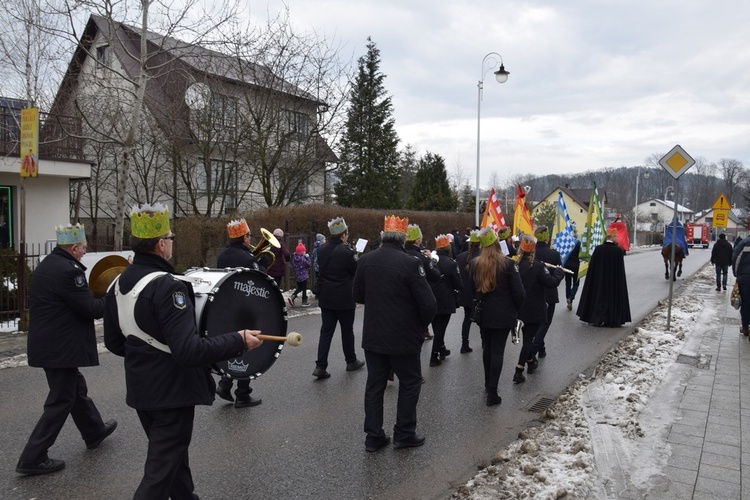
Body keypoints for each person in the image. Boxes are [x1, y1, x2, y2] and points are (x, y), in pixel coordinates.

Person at [104, 203, 263, 499]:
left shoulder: (119, 282)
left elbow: (114, 342)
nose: (172, 243)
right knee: (158, 475)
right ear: (161, 244)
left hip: (142, 390)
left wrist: (147, 359)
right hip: (172, 393)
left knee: (173, 464)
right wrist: (238, 340)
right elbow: (189, 351)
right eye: (171, 238)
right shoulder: (168, 287)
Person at [16, 223, 117, 476]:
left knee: (75, 390)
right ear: (73, 248)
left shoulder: (50, 264)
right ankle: (33, 456)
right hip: (59, 347)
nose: (84, 252)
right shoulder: (69, 272)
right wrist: (115, 297)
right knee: (61, 399)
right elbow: (91, 309)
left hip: (51, 343)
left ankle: (94, 431)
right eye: (83, 248)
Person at [353, 215, 437, 451]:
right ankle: (404, 433)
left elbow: (357, 295)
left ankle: (373, 436)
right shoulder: (411, 264)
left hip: (374, 334)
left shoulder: (366, 260)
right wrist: (420, 326)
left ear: (383, 237)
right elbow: (429, 304)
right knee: (410, 382)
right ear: (403, 239)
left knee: (375, 385)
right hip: (403, 336)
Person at [468, 227, 525, 405]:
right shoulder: (508, 264)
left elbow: (471, 290)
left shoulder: (475, 264)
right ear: (496, 244)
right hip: (503, 314)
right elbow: (520, 293)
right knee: (498, 351)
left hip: (483, 314)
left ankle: (488, 384)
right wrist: (514, 309)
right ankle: (493, 391)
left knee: (487, 349)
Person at [214, 218, 262, 409]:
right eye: (249, 235)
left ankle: (225, 384)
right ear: (243, 238)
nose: (251, 238)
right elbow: (259, 281)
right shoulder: (248, 258)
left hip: (227, 307)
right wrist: (262, 264)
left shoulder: (222, 256)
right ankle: (243, 394)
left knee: (232, 344)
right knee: (247, 349)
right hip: (246, 309)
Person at [313, 217, 365, 379]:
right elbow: (354, 271)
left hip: (326, 297)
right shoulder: (348, 252)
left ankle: (320, 366)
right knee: (347, 331)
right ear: (343, 235)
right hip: (344, 298)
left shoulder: (321, 250)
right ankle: (351, 361)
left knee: (326, 332)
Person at [513, 234, 564, 383]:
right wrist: (559, 272)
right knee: (528, 340)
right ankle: (519, 369)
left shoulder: (514, 265)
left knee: (526, 338)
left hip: (518, 308)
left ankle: (531, 361)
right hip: (534, 308)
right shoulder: (537, 266)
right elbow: (551, 282)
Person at [576, 227, 632, 327]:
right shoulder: (618, 251)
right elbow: (620, 270)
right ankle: (611, 319)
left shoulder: (598, 249)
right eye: (617, 236)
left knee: (598, 297)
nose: (618, 238)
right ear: (612, 236)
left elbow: (593, 267)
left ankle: (597, 318)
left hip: (599, 281)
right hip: (613, 282)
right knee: (611, 299)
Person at [428, 234, 462, 367]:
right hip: (445, 299)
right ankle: (434, 355)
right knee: (441, 328)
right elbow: (458, 285)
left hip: (431, 297)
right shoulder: (451, 263)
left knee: (436, 326)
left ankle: (441, 349)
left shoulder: (430, 261)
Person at [531, 226, 564, 359]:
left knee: (536, 322)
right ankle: (533, 350)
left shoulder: (530, 252)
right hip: (549, 292)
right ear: (547, 237)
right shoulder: (554, 254)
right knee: (544, 323)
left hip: (532, 292)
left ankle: (541, 348)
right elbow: (559, 271)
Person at [405, 223, 442, 339]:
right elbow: (436, 275)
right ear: (417, 240)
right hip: (418, 299)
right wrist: (431, 259)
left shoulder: (400, 254)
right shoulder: (422, 257)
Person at [456, 229, 482, 353]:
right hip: (479, 293)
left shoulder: (461, 256)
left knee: (467, 318)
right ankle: (484, 342)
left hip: (465, 293)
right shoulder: (483, 257)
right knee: (482, 319)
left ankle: (464, 344)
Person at [732, 235, 750, 337]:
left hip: (744, 279)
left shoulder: (744, 242)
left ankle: (745, 327)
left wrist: (736, 274)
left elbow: (735, 259)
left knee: (746, 303)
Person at [564, 227, 582, 310]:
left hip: (567, 265)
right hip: (575, 265)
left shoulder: (566, 242)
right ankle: (571, 298)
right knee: (576, 283)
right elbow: (580, 254)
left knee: (568, 283)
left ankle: (568, 297)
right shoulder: (578, 243)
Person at [290, 241, 311, 306]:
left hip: (297, 275)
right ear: (302, 252)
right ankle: (304, 301)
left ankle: (293, 296)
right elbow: (309, 264)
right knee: (304, 288)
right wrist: (307, 257)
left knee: (300, 287)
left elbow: (293, 265)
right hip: (304, 276)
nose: (305, 252)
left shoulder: (294, 258)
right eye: (304, 251)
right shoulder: (303, 259)